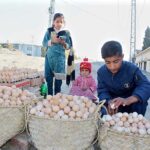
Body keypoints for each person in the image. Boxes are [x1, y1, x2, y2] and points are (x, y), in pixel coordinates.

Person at [97, 40, 150, 115]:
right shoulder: (101, 72)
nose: (112, 67)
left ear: (122, 57)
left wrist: (128, 100)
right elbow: (102, 90)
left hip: (130, 103)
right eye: (107, 62)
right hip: (114, 104)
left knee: (140, 104)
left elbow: (145, 85)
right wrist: (108, 102)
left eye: (116, 61)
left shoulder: (132, 69)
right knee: (103, 109)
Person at [42, 13, 72, 95]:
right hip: (49, 58)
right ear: (53, 22)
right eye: (57, 21)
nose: (59, 23)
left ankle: (57, 96)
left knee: (58, 79)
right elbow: (44, 43)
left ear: (63, 23)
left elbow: (69, 46)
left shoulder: (66, 33)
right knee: (49, 78)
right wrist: (52, 41)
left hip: (60, 59)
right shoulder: (49, 31)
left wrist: (64, 44)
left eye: (61, 22)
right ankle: (50, 96)